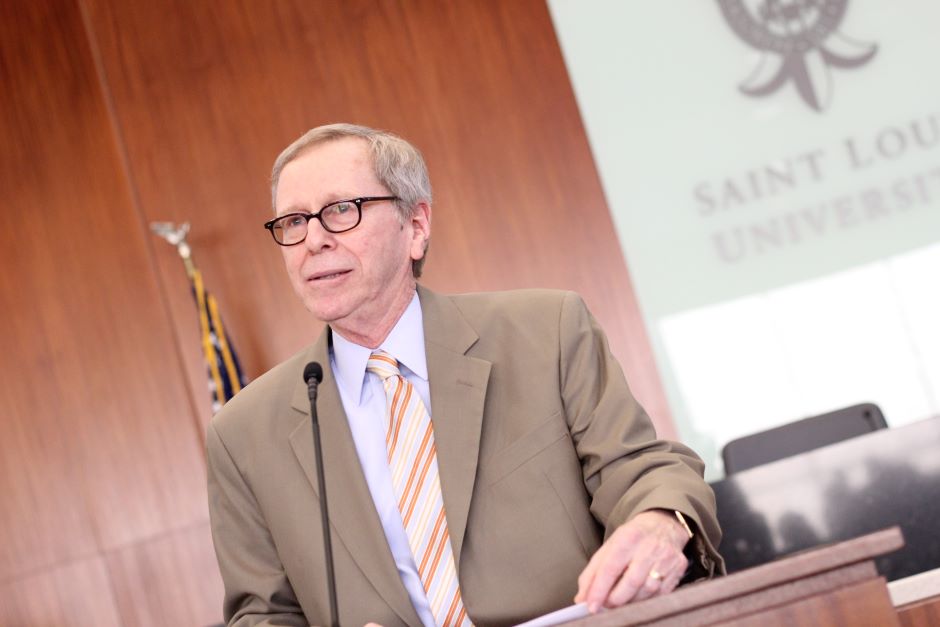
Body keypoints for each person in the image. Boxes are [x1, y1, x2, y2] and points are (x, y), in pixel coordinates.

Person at [207, 123, 723, 627]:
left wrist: (660, 521)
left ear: (416, 226)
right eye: (293, 222)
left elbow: (640, 470)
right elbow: (262, 612)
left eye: (342, 210)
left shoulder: (546, 332)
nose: (313, 239)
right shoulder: (243, 432)